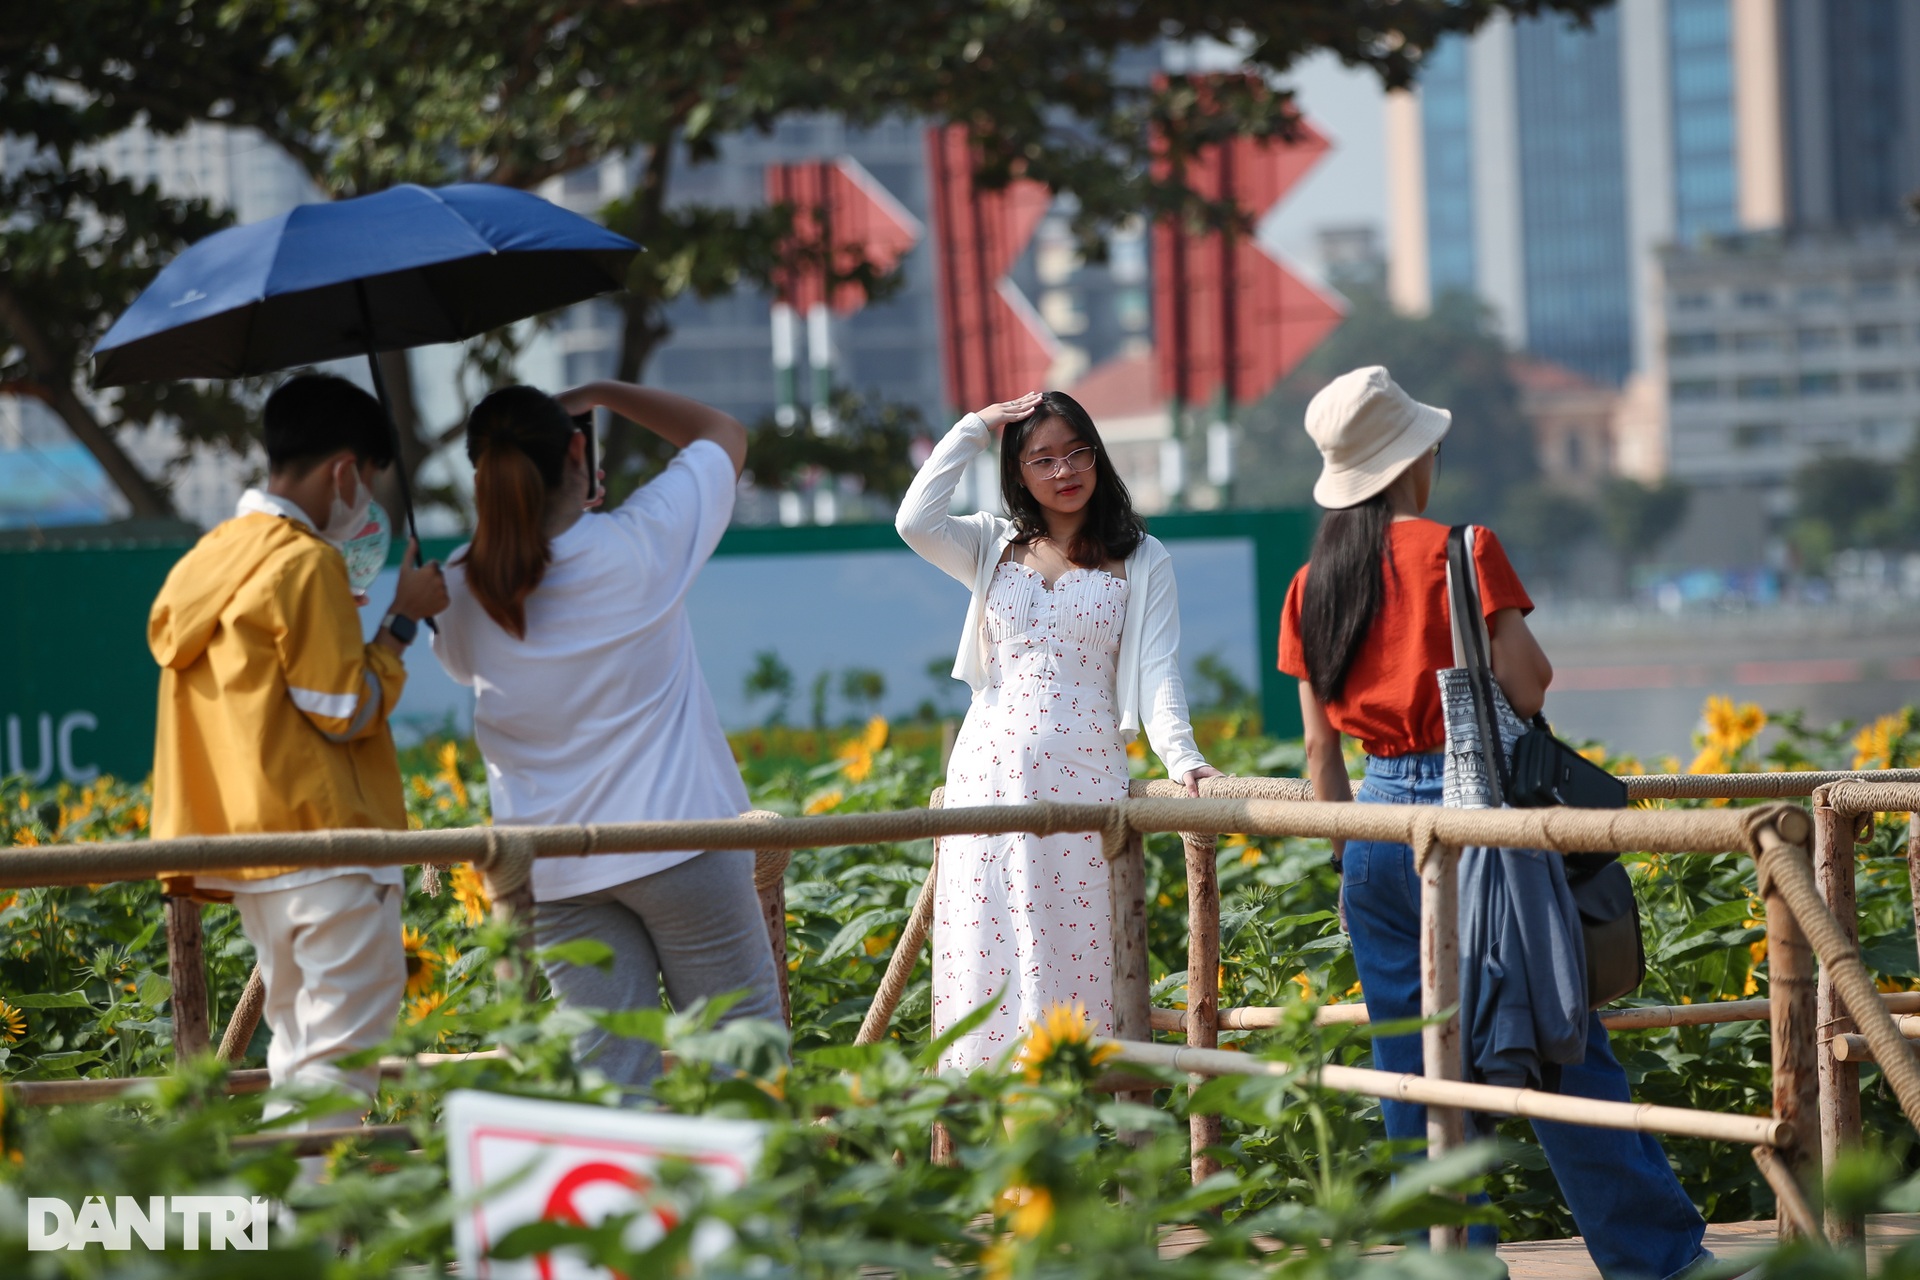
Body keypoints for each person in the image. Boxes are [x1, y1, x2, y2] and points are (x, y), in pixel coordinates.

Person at [1279, 366, 1708, 1276]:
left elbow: (1321, 758)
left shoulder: (1312, 584)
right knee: (1558, 1037)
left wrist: (1356, 857)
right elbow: (1530, 681)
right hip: (1481, 825)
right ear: (1411, 462)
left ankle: (1452, 1263)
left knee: (1409, 1070)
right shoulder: (1461, 551)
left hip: (1377, 831)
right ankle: (1657, 1260)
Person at [430, 381, 782, 1089]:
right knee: (744, 1077)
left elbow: (459, 656)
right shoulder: (643, 539)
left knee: (613, 1090)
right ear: (577, 451)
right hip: (682, 845)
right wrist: (604, 393)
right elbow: (722, 430)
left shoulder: (460, 590)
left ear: (482, 477)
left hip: (555, 872)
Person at [148, 373, 449, 1128]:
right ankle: (314, 1236)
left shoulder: (206, 561)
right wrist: (400, 624)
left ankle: (296, 1230)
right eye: (370, 479)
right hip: (332, 847)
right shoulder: (304, 562)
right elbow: (347, 708)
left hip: (259, 857)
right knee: (339, 1068)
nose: (368, 500)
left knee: (300, 1056)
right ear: (346, 470)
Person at [897, 390, 1221, 1071]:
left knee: (1066, 953)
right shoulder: (990, 544)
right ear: (1018, 473)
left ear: (1098, 456)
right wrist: (977, 429)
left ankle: (1065, 1144)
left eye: (1076, 452)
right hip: (985, 775)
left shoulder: (1143, 556)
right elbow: (914, 519)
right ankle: (1001, 1151)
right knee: (989, 953)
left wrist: (1183, 758)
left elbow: (1159, 670)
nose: (1063, 471)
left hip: (1083, 777)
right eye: (1042, 459)